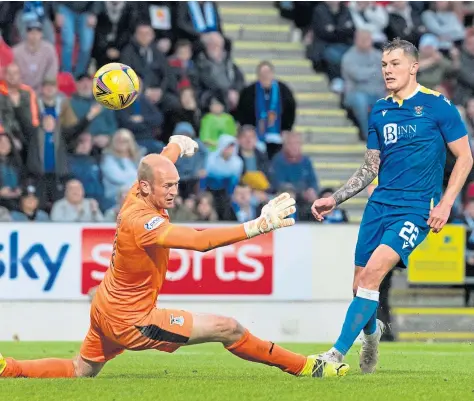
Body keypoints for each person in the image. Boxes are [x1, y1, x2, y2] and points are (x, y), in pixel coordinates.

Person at [0, 135, 349, 379]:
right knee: (228, 328)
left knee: (80, 369)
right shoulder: (143, 221)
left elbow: (160, 166)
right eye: (167, 187)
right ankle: (308, 367)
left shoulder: (139, 192)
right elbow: (198, 242)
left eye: (177, 184)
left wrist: (175, 145)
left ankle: (8, 368)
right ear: (146, 187)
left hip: (106, 306)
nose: (174, 192)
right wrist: (256, 227)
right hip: (133, 320)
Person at [311, 38, 473, 374]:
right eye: (384, 65)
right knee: (359, 285)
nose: (388, 70)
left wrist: (445, 204)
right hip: (379, 205)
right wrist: (335, 197)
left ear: (414, 67)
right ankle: (372, 334)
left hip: (415, 210)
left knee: (371, 276)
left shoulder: (438, 106)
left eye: (395, 64)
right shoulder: (379, 109)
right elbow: (371, 166)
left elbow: (465, 157)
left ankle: (335, 354)